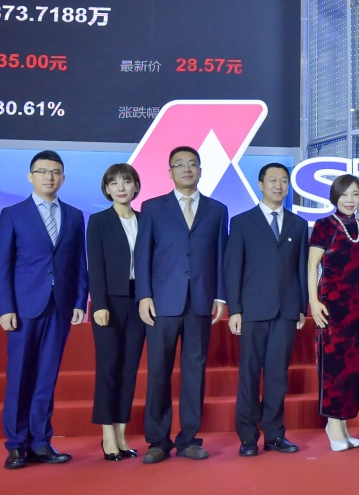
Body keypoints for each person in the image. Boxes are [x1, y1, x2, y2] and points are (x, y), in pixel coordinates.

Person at [0, 150, 88, 469]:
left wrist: (79, 301)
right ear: (30, 176)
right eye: (43, 171)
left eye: (55, 172)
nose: (49, 177)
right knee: (20, 375)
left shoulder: (74, 215)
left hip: (60, 306)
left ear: (63, 178)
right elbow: (2, 265)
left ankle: (41, 441)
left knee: (47, 377)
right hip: (24, 307)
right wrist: (5, 307)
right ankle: (16, 445)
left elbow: (78, 263)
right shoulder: (13, 214)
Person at [135, 146, 228, 463]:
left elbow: (221, 256)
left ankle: (189, 439)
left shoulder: (217, 210)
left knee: (194, 372)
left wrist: (220, 295)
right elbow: (143, 254)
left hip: (200, 300)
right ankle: (158, 441)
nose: (187, 169)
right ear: (170, 172)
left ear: (200, 170)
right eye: (180, 164)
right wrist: (144, 295)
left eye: (192, 164)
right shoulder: (152, 207)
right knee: (158, 371)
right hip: (161, 301)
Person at [225, 162, 308, 457]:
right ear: (260, 185)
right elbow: (232, 268)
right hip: (252, 310)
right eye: (272, 180)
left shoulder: (298, 224)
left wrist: (301, 307)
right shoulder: (242, 222)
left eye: (283, 180)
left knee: (277, 376)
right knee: (249, 375)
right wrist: (234, 309)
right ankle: (248, 437)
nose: (278, 185)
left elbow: (301, 269)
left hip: (286, 311)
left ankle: (274, 435)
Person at [307, 174, 359, 451]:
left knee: (352, 368)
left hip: (357, 304)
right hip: (331, 304)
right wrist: (313, 302)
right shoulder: (324, 225)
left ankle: (343, 425)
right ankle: (333, 426)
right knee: (334, 366)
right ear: (335, 196)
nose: (350, 200)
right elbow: (312, 265)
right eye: (344, 194)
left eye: (355, 194)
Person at [87, 163, 147, 460]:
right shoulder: (98, 221)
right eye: (114, 183)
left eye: (126, 181)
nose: (121, 187)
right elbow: (95, 265)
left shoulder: (146, 220)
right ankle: (107, 435)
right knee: (108, 368)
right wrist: (98, 304)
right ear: (107, 189)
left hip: (140, 301)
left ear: (136, 186)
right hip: (109, 302)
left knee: (129, 369)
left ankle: (122, 434)